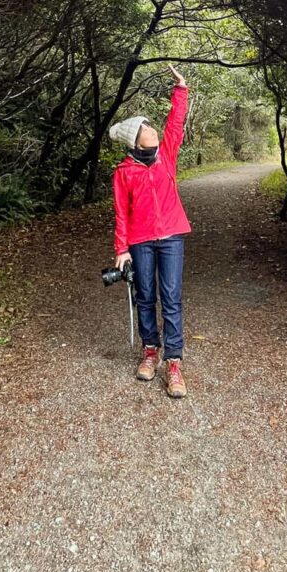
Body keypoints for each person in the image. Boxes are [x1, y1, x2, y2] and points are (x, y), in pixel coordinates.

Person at [109, 65, 191, 398]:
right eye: (147, 128)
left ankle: (173, 362)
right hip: (140, 241)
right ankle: (150, 352)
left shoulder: (166, 156)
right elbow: (121, 214)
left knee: (170, 298)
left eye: (152, 128)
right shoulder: (124, 172)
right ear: (135, 141)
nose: (153, 131)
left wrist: (181, 90)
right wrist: (121, 248)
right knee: (145, 297)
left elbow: (175, 123)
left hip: (171, 235)